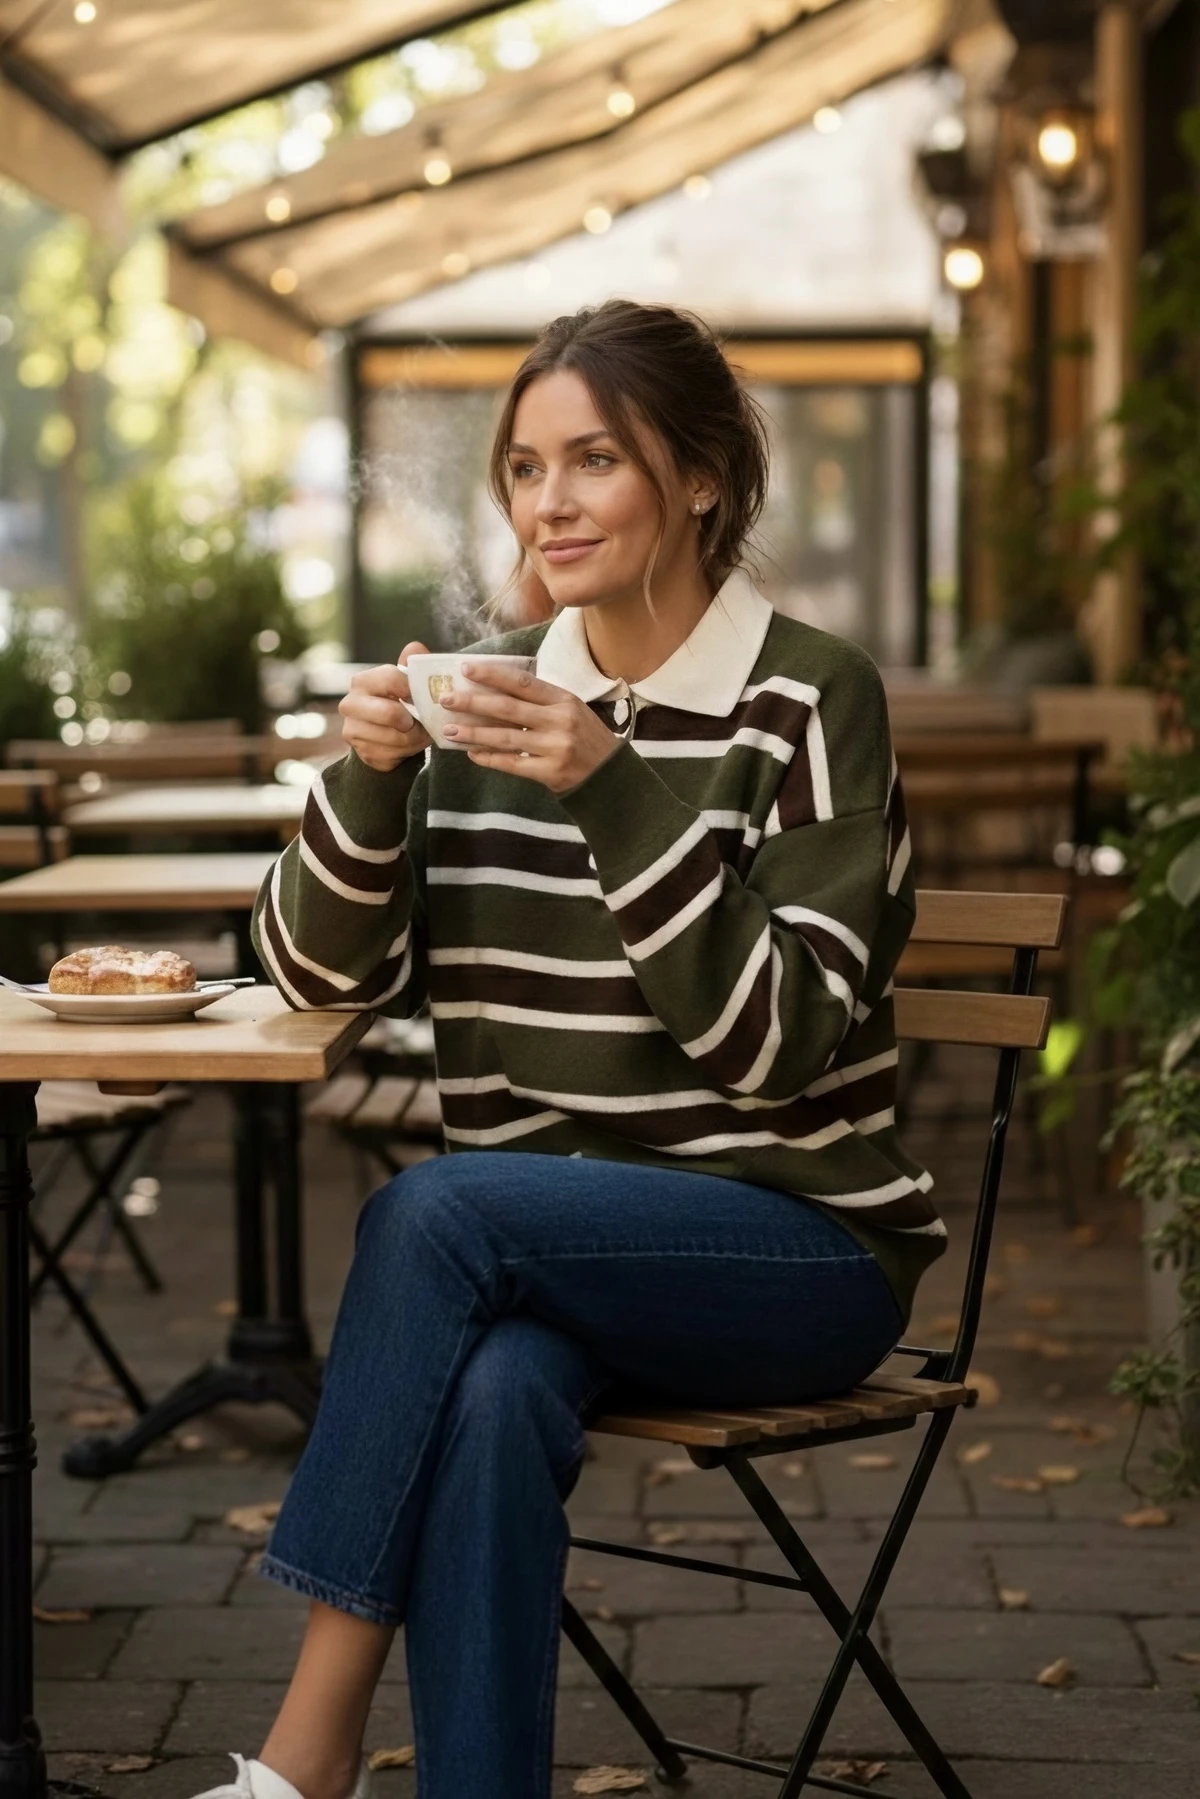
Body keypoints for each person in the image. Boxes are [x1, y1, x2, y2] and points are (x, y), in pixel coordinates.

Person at [200, 300, 943, 1799]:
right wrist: (368, 776)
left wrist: (609, 783)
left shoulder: (806, 700)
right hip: (532, 1265)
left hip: (798, 1252)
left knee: (434, 1204)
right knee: (485, 1397)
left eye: (595, 459)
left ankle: (304, 1753)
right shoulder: (482, 706)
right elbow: (301, 976)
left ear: (703, 480)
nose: (548, 503)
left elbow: (779, 1048)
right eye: (526, 466)